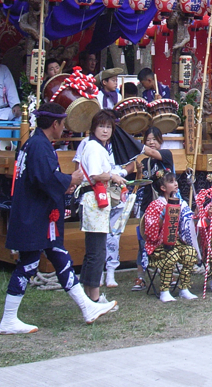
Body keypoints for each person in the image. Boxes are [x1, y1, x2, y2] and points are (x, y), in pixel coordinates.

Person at [0, 102, 116, 334]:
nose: (64, 128)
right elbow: (45, 179)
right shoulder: (39, 146)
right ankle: (8, 318)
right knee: (29, 264)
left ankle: (86, 307)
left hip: (40, 213)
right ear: (55, 124)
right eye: (62, 123)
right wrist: (69, 179)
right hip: (34, 214)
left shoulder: (37, 144)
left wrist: (65, 181)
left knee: (60, 256)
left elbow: (45, 178)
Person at [73, 109, 142, 291]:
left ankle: (88, 293)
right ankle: (93, 295)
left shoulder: (97, 146)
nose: (105, 131)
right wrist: (113, 176)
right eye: (101, 126)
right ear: (94, 128)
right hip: (95, 198)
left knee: (94, 250)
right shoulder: (94, 147)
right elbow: (96, 174)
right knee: (97, 251)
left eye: (108, 127)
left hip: (95, 198)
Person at [131, 126, 177, 291]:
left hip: (166, 204)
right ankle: (140, 277)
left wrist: (135, 145)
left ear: (160, 141)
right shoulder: (143, 162)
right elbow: (140, 182)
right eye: (148, 140)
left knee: (168, 238)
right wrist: (138, 173)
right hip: (148, 205)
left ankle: (169, 272)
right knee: (143, 240)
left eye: (154, 139)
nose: (151, 143)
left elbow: (151, 153)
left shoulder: (165, 155)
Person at [143, 170, 199, 302]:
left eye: (175, 181)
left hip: (175, 242)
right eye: (171, 182)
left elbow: (187, 224)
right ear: (163, 188)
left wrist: (196, 214)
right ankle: (165, 290)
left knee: (190, 252)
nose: (175, 184)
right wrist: (164, 215)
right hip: (159, 245)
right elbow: (150, 231)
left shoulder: (180, 203)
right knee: (171, 254)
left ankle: (184, 287)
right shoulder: (155, 205)